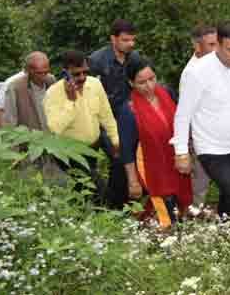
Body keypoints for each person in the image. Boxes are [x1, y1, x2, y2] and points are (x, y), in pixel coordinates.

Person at [172, 20, 230, 217]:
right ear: (218, 45)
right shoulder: (196, 72)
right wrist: (181, 152)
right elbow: (183, 114)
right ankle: (229, 234)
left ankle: (228, 238)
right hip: (212, 148)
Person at [121, 57, 192, 228]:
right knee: (164, 206)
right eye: (142, 82)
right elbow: (127, 149)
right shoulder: (129, 110)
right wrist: (132, 180)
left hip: (175, 159)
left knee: (179, 203)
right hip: (151, 167)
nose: (149, 86)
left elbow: (182, 121)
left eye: (152, 79)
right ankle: (164, 241)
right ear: (131, 83)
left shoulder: (167, 93)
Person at [44, 50, 120, 200]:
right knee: (96, 188)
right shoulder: (54, 93)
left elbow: (106, 114)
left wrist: (115, 139)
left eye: (85, 72)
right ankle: (104, 211)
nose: (82, 77)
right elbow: (55, 128)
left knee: (85, 190)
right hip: (69, 151)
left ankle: (85, 215)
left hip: (92, 147)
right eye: (77, 74)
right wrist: (71, 101)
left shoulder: (95, 84)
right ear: (65, 72)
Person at [89, 18, 140, 208]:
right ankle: (111, 205)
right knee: (118, 159)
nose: (130, 44)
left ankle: (122, 204)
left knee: (128, 161)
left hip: (127, 119)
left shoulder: (135, 59)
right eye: (126, 40)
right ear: (113, 39)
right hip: (103, 121)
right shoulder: (96, 61)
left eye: (133, 40)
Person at [2, 52, 54, 130]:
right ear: (28, 70)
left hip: (51, 136)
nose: (43, 76)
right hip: (29, 138)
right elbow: (10, 120)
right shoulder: (15, 87)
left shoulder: (51, 80)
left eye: (46, 72)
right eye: (38, 73)